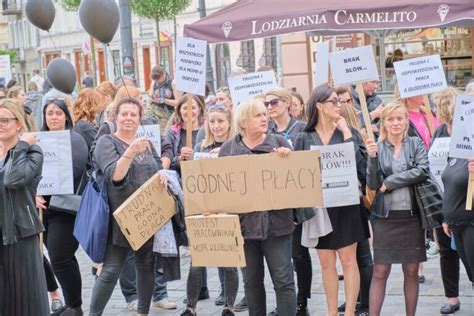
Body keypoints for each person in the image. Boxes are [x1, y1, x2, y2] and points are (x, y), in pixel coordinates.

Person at [219, 99, 297, 315]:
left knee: (284, 281)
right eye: (258, 115)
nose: (265, 118)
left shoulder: (279, 142)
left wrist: (287, 160)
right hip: (244, 229)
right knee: (251, 282)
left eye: (265, 114)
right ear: (244, 121)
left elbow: (294, 181)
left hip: (277, 226)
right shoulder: (229, 149)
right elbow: (220, 190)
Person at [90, 97, 167, 315]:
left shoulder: (147, 144)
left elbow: (157, 167)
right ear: (115, 117)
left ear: (140, 119)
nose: (129, 119)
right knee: (112, 269)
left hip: (146, 216)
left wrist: (162, 176)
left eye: (134, 115)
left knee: (145, 265)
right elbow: (115, 175)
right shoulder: (107, 142)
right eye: (124, 114)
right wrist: (130, 152)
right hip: (119, 218)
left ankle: (143, 311)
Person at [294, 84, 366, 316]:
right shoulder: (303, 137)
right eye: (333, 101)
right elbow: (298, 174)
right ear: (319, 106)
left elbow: (360, 167)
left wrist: (346, 133)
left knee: (348, 260)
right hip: (319, 208)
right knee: (326, 263)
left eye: (339, 101)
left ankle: (350, 312)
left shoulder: (349, 133)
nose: (339, 105)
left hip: (346, 206)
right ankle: (331, 312)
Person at [366, 102, 429, 316]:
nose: (395, 123)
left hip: (412, 217)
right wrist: (372, 159)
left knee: (411, 271)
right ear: (383, 122)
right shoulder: (378, 146)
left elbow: (422, 171)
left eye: (399, 118)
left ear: (406, 121)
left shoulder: (415, 144)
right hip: (385, 218)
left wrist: (391, 181)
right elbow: (374, 184)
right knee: (380, 271)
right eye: (390, 119)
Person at [36, 98, 88, 316]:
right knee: (63, 257)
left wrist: (42, 189)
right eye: (50, 113)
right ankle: (73, 304)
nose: (54, 117)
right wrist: (34, 192)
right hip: (45, 209)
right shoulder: (38, 139)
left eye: (58, 113)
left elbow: (74, 170)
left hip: (66, 210)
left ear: (66, 116)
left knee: (59, 257)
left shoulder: (74, 139)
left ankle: (74, 305)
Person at [0, 99, 49, 316]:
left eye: (4, 120)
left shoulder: (33, 153)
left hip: (20, 233)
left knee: (25, 299)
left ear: (19, 124)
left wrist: (20, 147)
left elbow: (13, 180)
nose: (0, 124)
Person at [264, 87, 309, 316]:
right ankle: (285, 301)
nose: (270, 107)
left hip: (295, 199)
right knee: (281, 259)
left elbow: (305, 164)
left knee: (299, 254)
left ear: (286, 103)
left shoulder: (300, 128)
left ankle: (302, 300)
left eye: (274, 103)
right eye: (267, 104)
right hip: (275, 200)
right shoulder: (267, 130)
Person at [336, 86, 373, 316]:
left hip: (356, 201)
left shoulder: (355, 137)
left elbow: (361, 169)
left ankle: (366, 303)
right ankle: (356, 298)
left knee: (362, 256)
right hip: (343, 201)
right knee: (351, 259)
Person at [431, 87, 465, 314]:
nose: (435, 109)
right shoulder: (440, 131)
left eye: (438, 104)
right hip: (444, 199)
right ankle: (452, 297)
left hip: (465, 199)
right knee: (446, 251)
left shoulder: (467, 130)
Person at [168, 94, 205, 175]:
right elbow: (168, 160)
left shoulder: (208, 131)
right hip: (181, 178)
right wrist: (180, 158)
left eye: (193, 108)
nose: (189, 111)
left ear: (199, 110)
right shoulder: (172, 133)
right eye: (185, 108)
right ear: (179, 110)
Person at [145, 65, 176, 132]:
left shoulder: (172, 83)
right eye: (155, 80)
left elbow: (178, 102)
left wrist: (163, 100)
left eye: (158, 79)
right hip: (155, 109)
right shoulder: (154, 83)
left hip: (168, 112)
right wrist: (152, 98)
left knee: (163, 132)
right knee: (145, 121)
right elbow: (149, 100)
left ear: (163, 74)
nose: (157, 81)